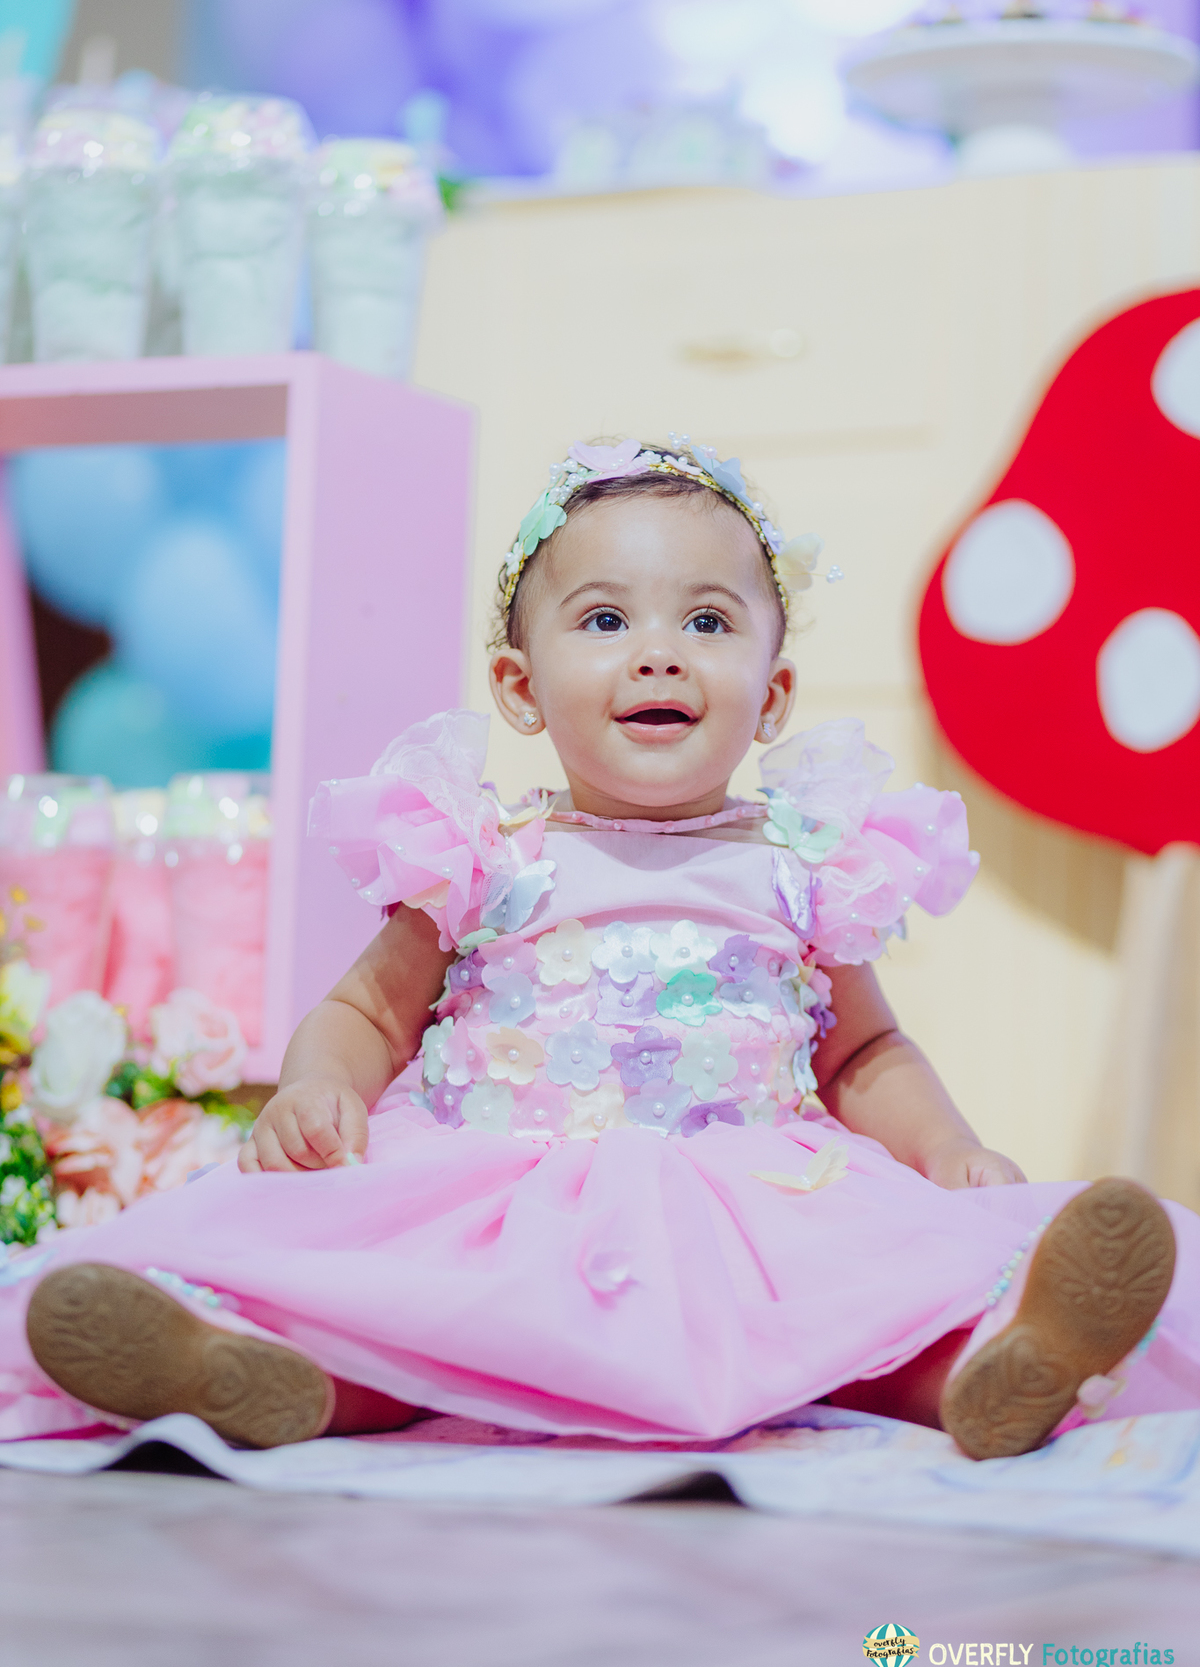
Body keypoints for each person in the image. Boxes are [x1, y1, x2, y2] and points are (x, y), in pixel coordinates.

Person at [6, 437, 1196, 1458]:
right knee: (406, 1312)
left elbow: (866, 1050)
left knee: (853, 1320)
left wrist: (950, 1150)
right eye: (608, 619)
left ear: (773, 696)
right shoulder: (483, 852)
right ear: (520, 686)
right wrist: (320, 1085)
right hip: (499, 1185)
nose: (660, 651)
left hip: (749, 1197)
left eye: (709, 621)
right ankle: (255, 1374)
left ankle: (991, 1369)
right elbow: (369, 1012)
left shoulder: (807, 864)